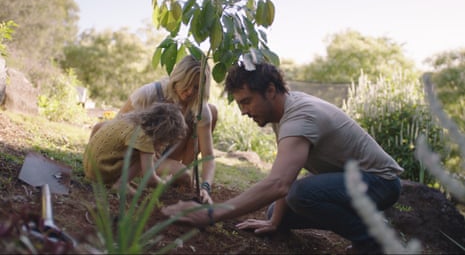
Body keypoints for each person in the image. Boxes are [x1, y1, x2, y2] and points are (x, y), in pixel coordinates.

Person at [162, 62, 404, 254]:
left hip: (381, 183)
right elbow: (288, 173)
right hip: (351, 182)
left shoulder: (301, 116)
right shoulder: (284, 113)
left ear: (270, 90)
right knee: (275, 214)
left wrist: (210, 213)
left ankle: (373, 241)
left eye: (247, 101)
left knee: (300, 195)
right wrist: (275, 222)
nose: (244, 111)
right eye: (239, 104)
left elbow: (279, 184)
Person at [91, 55, 217, 204]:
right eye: (186, 84)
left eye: (196, 87)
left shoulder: (200, 108)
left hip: (159, 156)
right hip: (135, 152)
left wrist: (205, 186)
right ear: (177, 77)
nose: (189, 91)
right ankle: (128, 174)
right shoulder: (149, 94)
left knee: (184, 174)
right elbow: (117, 127)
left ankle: (153, 173)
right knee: (102, 127)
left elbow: (208, 155)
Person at [83, 103, 187, 196]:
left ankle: (122, 181)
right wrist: (166, 181)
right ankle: (121, 185)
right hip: (100, 173)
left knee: (146, 154)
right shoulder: (144, 137)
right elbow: (149, 179)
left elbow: (98, 126)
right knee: (141, 154)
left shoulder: (127, 120)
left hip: (89, 168)